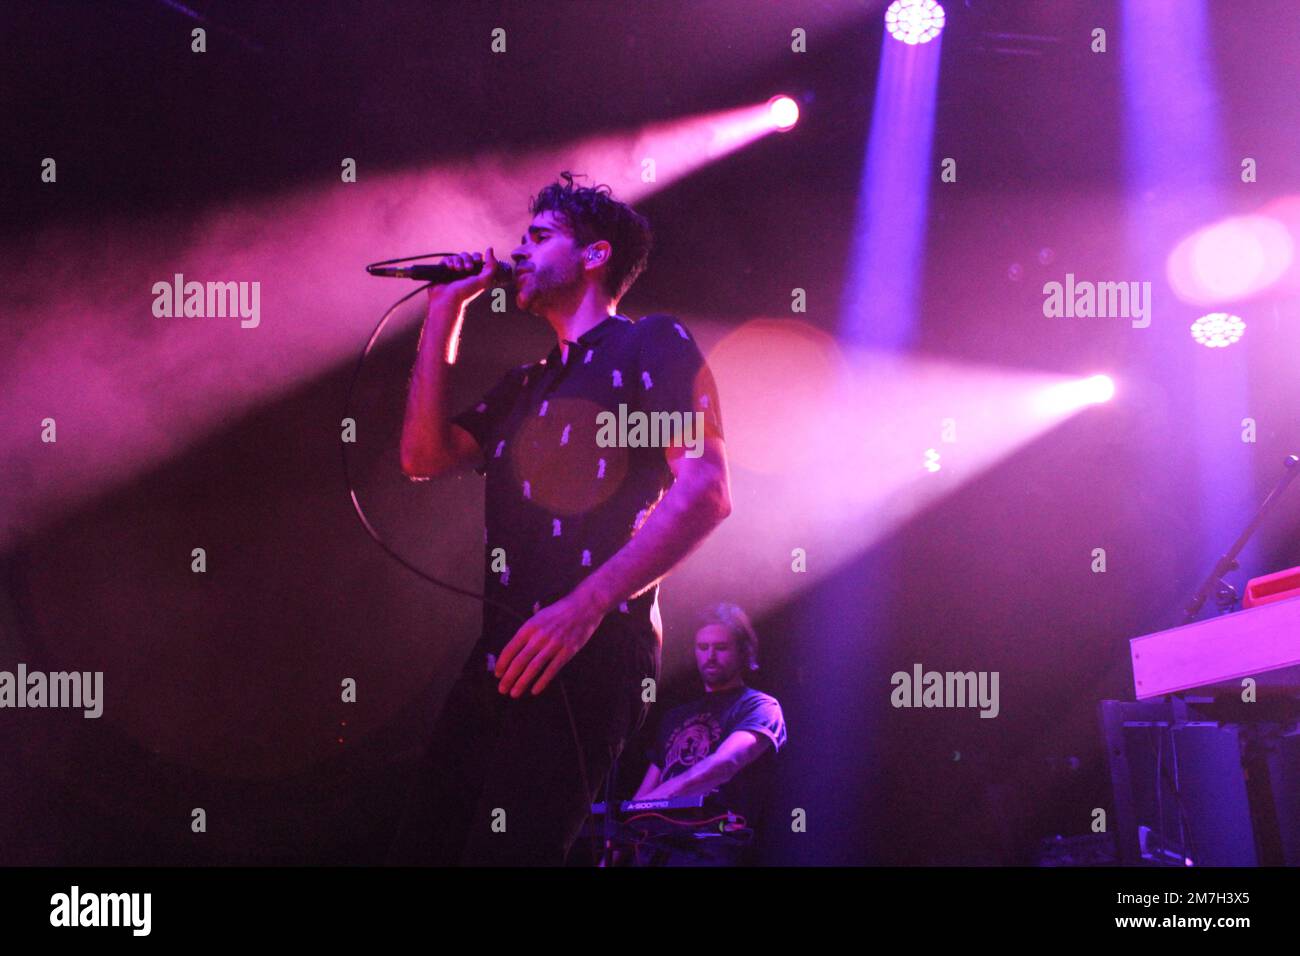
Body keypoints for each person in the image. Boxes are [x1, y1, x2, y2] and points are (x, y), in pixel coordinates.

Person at [389, 172, 731, 865]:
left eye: (539, 236)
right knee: (424, 848)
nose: (520, 251)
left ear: (595, 255)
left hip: (591, 644)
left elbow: (705, 491)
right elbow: (422, 456)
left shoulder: (652, 345)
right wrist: (443, 312)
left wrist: (585, 606)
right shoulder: (529, 380)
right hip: (504, 649)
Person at [630, 603, 787, 866]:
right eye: (703, 648)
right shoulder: (675, 716)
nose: (710, 656)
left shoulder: (760, 706)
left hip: (712, 851)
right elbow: (646, 790)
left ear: (744, 652)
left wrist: (652, 802)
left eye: (721, 648)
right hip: (657, 854)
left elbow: (724, 764)